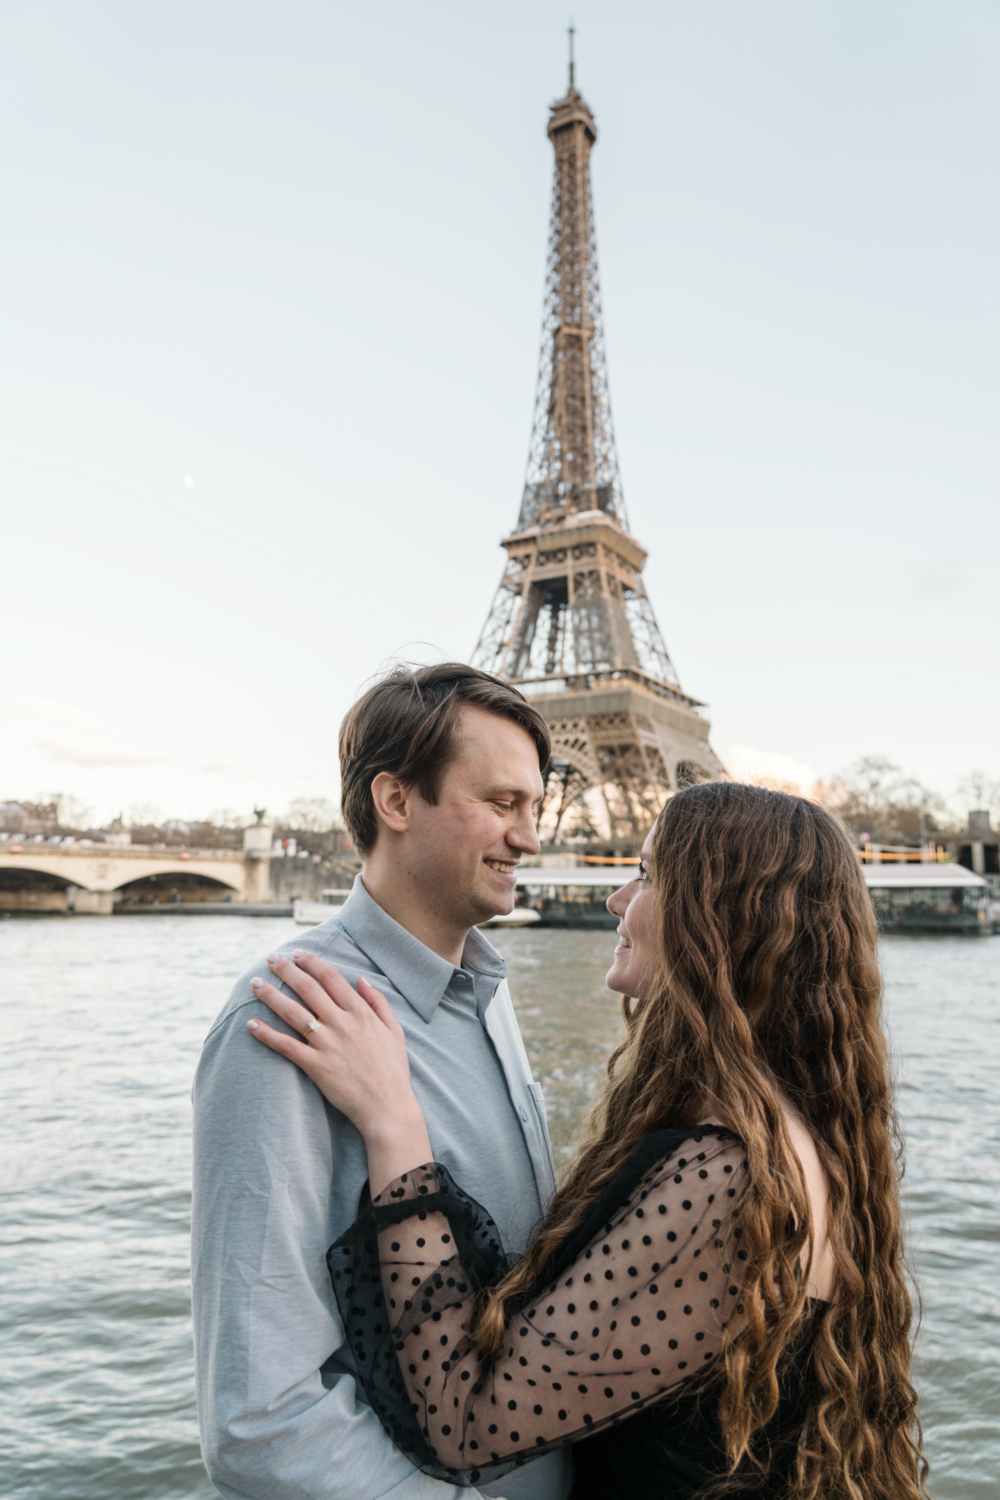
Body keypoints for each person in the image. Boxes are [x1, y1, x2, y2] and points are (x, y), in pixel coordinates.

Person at [247, 782, 930, 1500]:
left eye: (647, 875)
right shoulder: (782, 1142)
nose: (617, 899)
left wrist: (394, 1124)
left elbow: (466, 1422)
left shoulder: (728, 1177)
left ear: (720, 917)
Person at [191, 664, 574, 1500]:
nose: (530, 837)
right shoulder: (288, 1017)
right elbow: (264, 1423)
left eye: (534, 808)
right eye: (502, 803)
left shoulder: (485, 991)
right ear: (395, 802)